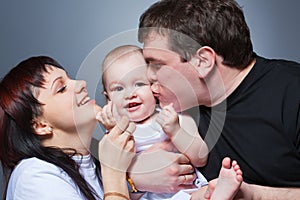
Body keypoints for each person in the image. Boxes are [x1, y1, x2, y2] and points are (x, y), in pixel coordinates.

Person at [133, 0, 300, 199]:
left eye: (157, 64)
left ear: (202, 61)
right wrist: (133, 179)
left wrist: (253, 195)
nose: (148, 76)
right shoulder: (171, 108)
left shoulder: (292, 92)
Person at [98, 44, 243, 200]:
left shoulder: (175, 115)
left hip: (186, 192)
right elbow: (116, 181)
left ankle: (219, 192)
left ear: (154, 86)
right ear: (108, 99)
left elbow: (200, 157)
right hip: (146, 196)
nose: (130, 94)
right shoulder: (116, 134)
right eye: (118, 89)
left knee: (201, 195)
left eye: (139, 84)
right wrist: (112, 129)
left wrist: (175, 130)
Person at [0, 56, 136, 200]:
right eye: (61, 88)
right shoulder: (34, 176)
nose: (81, 83)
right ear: (41, 125)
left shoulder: (96, 164)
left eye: (70, 78)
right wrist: (113, 171)